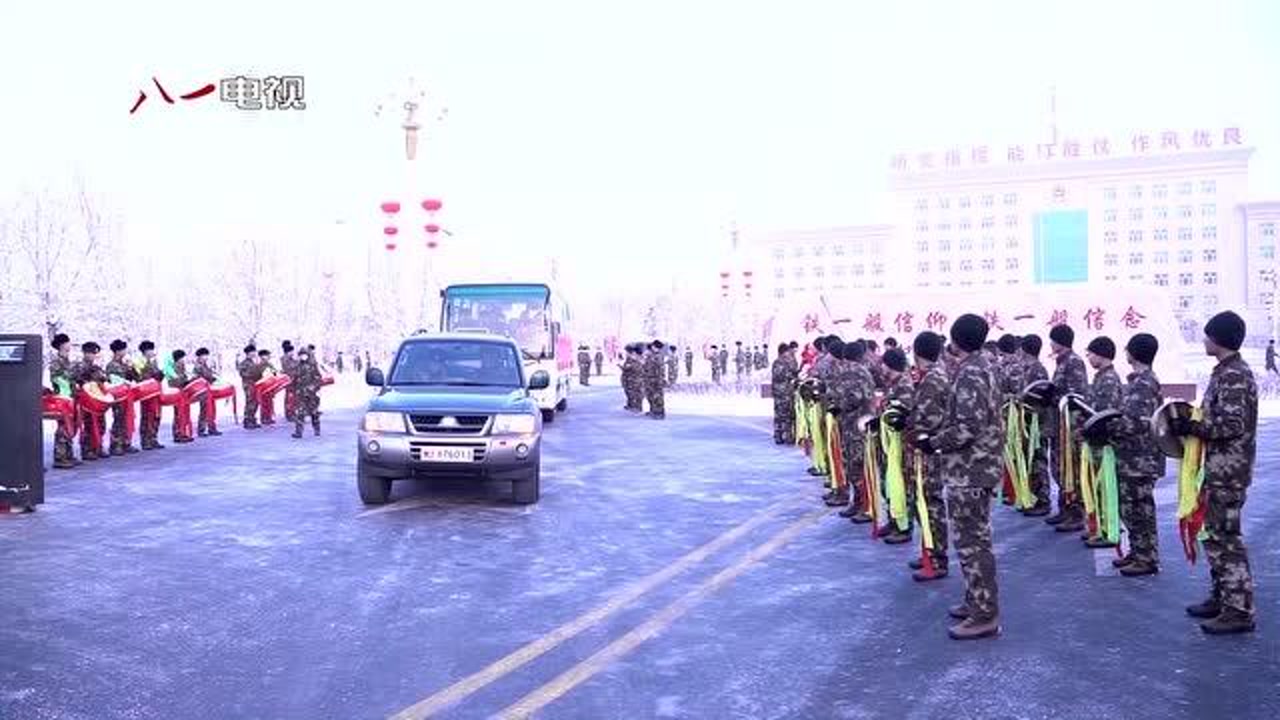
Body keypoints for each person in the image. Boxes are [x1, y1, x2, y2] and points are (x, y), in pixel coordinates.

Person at [915, 314, 1003, 640]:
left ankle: (985, 614)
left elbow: (967, 428)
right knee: (973, 541)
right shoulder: (985, 366)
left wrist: (932, 442)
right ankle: (976, 601)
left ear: (954, 340)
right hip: (978, 467)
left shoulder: (971, 373)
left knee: (972, 543)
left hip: (970, 470)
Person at [1171, 311, 1257, 634]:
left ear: (1218, 339)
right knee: (1215, 534)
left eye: (1208, 335)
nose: (1204, 340)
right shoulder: (1224, 371)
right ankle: (1223, 597)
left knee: (1226, 538)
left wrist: (1193, 425)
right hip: (1218, 467)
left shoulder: (1235, 375)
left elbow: (1232, 424)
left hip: (1228, 470)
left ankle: (1239, 609)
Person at [1083, 333, 1163, 577]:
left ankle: (1147, 557)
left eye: (1128, 348)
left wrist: (1101, 429)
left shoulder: (1144, 383)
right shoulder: (1139, 381)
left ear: (1134, 353)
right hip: (1131, 456)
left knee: (1140, 509)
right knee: (1131, 508)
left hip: (1140, 458)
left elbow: (1136, 422)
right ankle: (1138, 552)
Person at [900, 331, 950, 581]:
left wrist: (906, 424)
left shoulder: (932, 380)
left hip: (929, 451)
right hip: (929, 449)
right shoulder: (936, 375)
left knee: (930, 504)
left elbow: (929, 420)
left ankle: (938, 558)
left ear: (917, 353)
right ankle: (930, 551)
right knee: (925, 503)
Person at [1080, 336, 1124, 547]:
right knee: (1096, 486)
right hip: (1095, 441)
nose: (1088, 357)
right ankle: (1100, 526)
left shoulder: (1108, 380)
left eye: (1090, 353)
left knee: (1105, 487)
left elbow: (1104, 415)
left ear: (1101, 354)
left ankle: (1109, 530)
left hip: (1103, 443)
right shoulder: (1100, 377)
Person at [1047, 324, 1089, 533]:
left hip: (1070, 426)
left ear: (1059, 342)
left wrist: (1053, 396)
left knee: (1070, 468)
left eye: (1052, 340)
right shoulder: (1061, 363)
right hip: (1059, 425)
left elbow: (1076, 396)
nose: (1051, 344)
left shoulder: (1074, 363)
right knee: (1059, 469)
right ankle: (1065, 508)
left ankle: (1077, 513)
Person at [834, 340, 876, 524]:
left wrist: (837, 406)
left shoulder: (852, 372)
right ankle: (858, 502)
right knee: (853, 466)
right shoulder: (861, 371)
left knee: (857, 467)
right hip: (857, 425)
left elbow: (853, 398)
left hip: (856, 426)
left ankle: (865, 506)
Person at [1019, 335, 1052, 517]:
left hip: (1037, 425)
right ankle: (1033, 497)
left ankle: (1043, 500)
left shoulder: (1037, 370)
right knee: (1030, 462)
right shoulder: (1029, 368)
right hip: (1028, 424)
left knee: (1038, 462)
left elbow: (1038, 399)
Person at [73, 341, 110, 461]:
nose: (92, 356)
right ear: (84, 353)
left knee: (100, 424)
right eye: (90, 353)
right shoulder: (78, 366)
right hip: (86, 400)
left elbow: (104, 379)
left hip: (98, 398)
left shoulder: (97, 367)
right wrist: (84, 377)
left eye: (94, 353)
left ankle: (98, 446)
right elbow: (75, 380)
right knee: (88, 424)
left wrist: (103, 378)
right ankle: (87, 450)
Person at [47, 333, 79, 468]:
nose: (69, 345)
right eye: (67, 342)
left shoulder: (67, 361)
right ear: (61, 345)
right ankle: (60, 458)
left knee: (70, 425)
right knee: (62, 427)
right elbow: (56, 378)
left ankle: (68, 454)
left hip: (71, 397)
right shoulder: (56, 362)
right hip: (62, 398)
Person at [105, 339, 141, 456]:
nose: (125, 352)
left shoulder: (125, 364)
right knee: (118, 419)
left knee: (127, 418)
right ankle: (115, 445)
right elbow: (113, 380)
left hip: (127, 395)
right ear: (118, 351)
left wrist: (132, 370)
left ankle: (126, 442)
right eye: (123, 350)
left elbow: (135, 377)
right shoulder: (111, 365)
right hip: (118, 395)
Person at [137, 341, 166, 450]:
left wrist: (160, 374)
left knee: (156, 416)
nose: (152, 352)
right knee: (146, 416)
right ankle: (145, 440)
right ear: (145, 352)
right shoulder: (140, 363)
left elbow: (157, 376)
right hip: (146, 394)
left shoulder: (154, 362)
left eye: (152, 350)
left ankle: (153, 438)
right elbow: (140, 378)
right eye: (150, 350)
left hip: (156, 393)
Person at [292, 345, 324, 438]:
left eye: (304, 354)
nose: (303, 356)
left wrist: (314, 387)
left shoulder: (313, 365)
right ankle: (299, 432)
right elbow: (294, 379)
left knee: (314, 412)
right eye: (301, 355)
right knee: (300, 413)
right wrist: (294, 388)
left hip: (312, 394)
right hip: (300, 393)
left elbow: (318, 378)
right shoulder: (297, 366)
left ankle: (317, 430)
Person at [192, 347, 224, 437]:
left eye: (206, 355)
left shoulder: (205, 365)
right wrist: (211, 377)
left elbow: (209, 374)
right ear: (200, 356)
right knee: (204, 410)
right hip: (202, 391)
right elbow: (200, 377)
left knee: (211, 409)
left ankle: (211, 428)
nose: (206, 357)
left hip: (209, 390)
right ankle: (201, 430)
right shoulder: (197, 366)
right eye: (204, 355)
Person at [771, 342, 799, 444]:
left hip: (781, 392)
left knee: (781, 414)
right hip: (784, 392)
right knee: (785, 415)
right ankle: (784, 436)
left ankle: (781, 435)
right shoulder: (782, 362)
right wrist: (793, 376)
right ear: (784, 352)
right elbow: (782, 376)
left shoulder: (779, 362)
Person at [166, 349, 195, 444]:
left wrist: (189, 381)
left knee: (184, 414)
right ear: (178, 358)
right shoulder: (172, 367)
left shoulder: (182, 366)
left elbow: (184, 377)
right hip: (177, 393)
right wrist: (184, 381)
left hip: (184, 392)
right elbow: (172, 381)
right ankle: (178, 434)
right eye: (182, 358)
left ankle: (184, 433)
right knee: (178, 414)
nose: (184, 359)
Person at [238, 344, 262, 430]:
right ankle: (247, 420)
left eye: (254, 352)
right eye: (252, 352)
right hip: (248, 385)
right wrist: (253, 374)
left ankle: (252, 419)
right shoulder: (243, 363)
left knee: (256, 402)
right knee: (250, 401)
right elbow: (243, 374)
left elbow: (258, 372)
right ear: (248, 353)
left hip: (255, 384)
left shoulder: (254, 362)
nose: (254, 353)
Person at [644, 341, 666, 419]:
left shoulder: (658, 357)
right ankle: (653, 410)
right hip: (650, 379)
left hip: (656, 380)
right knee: (651, 396)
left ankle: (659, 413)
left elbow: (660, 370)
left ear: (656, 347)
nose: (652, 347)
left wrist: (659, 380)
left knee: (658, 397)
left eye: (653, 346)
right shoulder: (652, 355)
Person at [621, 344, 643, 411]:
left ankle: (637, 407)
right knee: (630, 393)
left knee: (636, 393)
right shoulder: (631, 359)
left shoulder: (636, 359)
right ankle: (631, 405)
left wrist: (624, 367)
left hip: (635, 379)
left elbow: (635, 368)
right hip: (630, 378)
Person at [281, 341, 298, 423]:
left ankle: (292, 413)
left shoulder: (291, 359)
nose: (293, 353)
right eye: (291, 351)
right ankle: (289, 414)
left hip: (293, 380)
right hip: (289, 380)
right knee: (290, 398)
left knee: (293, 398)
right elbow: (289, 368)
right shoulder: (285, 359)